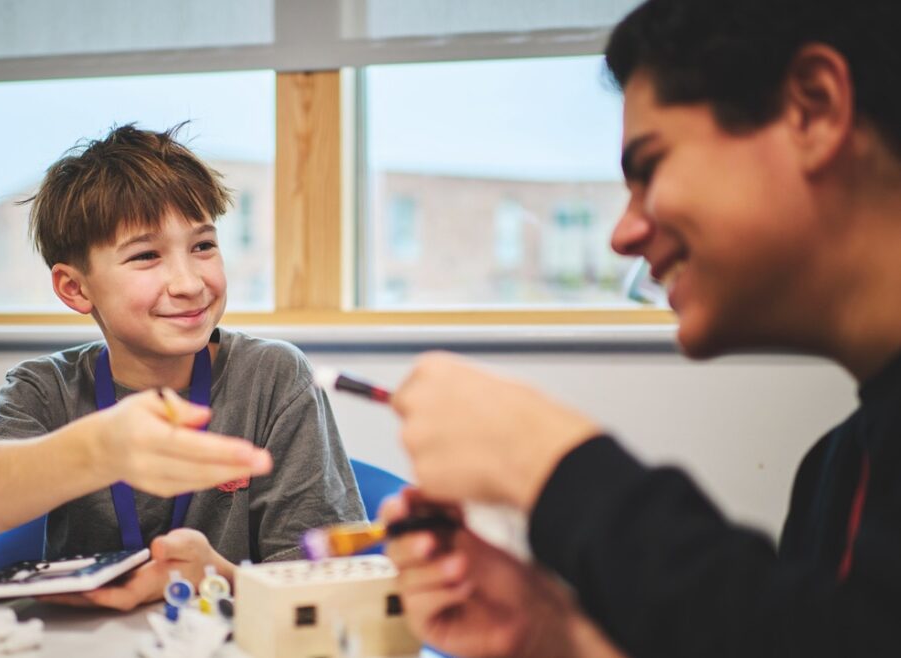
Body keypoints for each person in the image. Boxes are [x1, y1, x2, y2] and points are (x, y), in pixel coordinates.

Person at [383, 0, 901, 656]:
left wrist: (551, 465)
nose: (623, 234)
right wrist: (553, 635)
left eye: (650, 167)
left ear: (814, 108)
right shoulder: (838, 468)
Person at [0, 123, 364, 610]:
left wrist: (221, 575)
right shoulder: (47, 388)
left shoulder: (272, 377)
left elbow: (327, 583)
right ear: (75, 288)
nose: (189, 283)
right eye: (146, 255)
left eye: (203, 246)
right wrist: (101, 449)